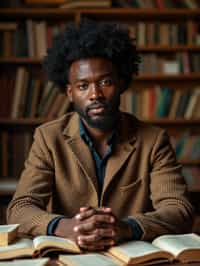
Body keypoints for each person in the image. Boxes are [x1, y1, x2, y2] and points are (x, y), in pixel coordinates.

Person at [7, 19, 193, 251]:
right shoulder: (48, 137)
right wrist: (67, 227)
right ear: (70, 92)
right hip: (69, 257)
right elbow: (21, 207)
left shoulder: (153, 140)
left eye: (105, 82)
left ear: (122, 83)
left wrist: (127, 227)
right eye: (83, 86)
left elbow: (179, 208)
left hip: (131, 257)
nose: (95, 94)